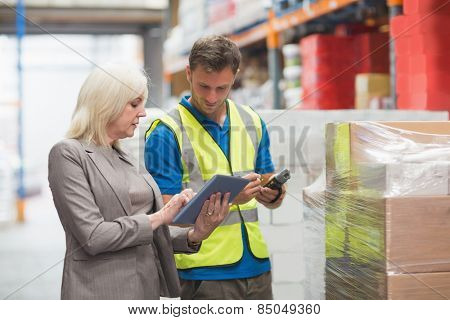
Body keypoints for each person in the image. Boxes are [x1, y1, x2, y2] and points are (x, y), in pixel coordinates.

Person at [48, 64, 230, 300]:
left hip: (145, 289)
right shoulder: (68, 154)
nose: (143, 113)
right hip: (100, 292)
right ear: (106, 103)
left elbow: (148, 234)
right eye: (134, 104)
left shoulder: (124, 155)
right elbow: (93, 236)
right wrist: (161, 216)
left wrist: (196, 234)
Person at [144, 35, 286, 300]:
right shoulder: (166, 132)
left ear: (235, 77)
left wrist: (275, 193)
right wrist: (233, 198)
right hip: (203, 273)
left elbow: (268, 187)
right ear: (188, 73)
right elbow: (167, 214)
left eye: (222, 88)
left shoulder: (252, 120)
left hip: (257, 268)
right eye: (204, 86)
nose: (211, 97)